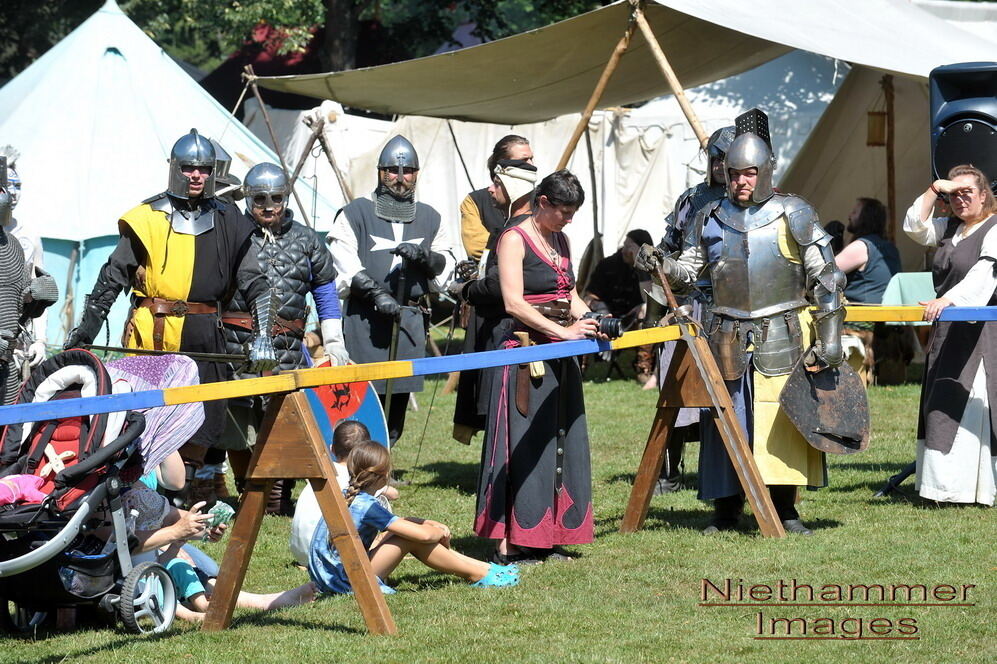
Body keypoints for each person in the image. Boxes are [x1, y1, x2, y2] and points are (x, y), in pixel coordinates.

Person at [639, 109, 846, 535]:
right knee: (724, 423)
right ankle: (726, 510)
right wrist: (662, 263)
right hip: (726, 334)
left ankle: (784, 509)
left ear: (766, 171)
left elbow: (826, 276)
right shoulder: (709, 216)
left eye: (749, 173)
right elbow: (689, 269)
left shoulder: (795, 212)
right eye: (734, 173)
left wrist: (830, 338)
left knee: (782, 423)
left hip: (783, 332)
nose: (741, 181)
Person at [64, 129, 278, 504]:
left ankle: (181, 495)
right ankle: (138, 494)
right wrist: (85, 331)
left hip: (205, 333)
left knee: (202, 418)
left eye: (204, 169)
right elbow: (111, 278)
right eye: (189, 167)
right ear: (176, 169)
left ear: (213, 172)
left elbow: (256, 283)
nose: (196, 175)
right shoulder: (146, 218)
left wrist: (262, 336)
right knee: (144, 418)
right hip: (153, 335)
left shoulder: (230, 221)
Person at [476, 170, 602, 563]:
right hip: (526, 355)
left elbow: (570, 294)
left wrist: (595, 318)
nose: (569, 219)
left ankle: (548, 536)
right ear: (543, 203)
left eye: (573, 212)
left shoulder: (560, 238)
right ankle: (514, 541)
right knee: (523, 448)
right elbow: (513, 303)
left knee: (560, 442)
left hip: (559, 355)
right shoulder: (513, 239)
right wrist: (562, 334)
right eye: (563, 211)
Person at [220, 162, 348, 514]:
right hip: (238, 342)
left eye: (276, 198)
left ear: (286, 197)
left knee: (283, 420)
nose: (268, 205)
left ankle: (276, 497)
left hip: (288, 346)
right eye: (259, 198)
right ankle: (249, 493)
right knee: (240, 423)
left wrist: (333, 339)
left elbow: (324, 289)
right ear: (248, 198)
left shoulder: (307, 239)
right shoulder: (231, 236)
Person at [327, 135, 455, 445]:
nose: (399, 178)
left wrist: (427, 258)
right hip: (364, 319)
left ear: (416, 174)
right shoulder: (356, 213)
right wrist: (375, 293)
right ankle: (354, 465)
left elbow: (447, 266)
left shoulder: (430, 217)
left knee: (396, 401)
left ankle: (382, 465)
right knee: (360, 400)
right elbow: (343, 260)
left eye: (407, 171)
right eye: (392, 171)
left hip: (408, 320)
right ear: (381, 172)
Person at [645, 126, 735, 493]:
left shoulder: (751, 201)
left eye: (725, 159)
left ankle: (729, 465)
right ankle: (670, 468)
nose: (719, 165)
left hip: (732, 305)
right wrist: (657, 259)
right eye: (715, 158)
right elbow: (670, 245)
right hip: (690, 304)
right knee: (677, 383)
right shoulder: (691, 199)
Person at [309, 442, 518, 595]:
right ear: (384, 475)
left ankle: (485, 569)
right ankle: (479, 573)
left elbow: (401, 525)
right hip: (346, 582)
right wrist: (439, 531)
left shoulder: (347, 495)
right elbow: (422, 536)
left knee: (406, 532)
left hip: (330, 576)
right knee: (410, 538)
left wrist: (426, 523)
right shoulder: (367, 506)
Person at [903, 164, 997, 505]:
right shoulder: (949, 228)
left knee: (969, 403)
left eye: (967, 193)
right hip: (947, 328)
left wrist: (948, 299)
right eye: (953, 194)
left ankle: (969, 489)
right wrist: (933, 189)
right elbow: (914, 224)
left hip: (981, 333)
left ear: (984, 195)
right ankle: (940, 486)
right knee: (940, 403)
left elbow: (984, 275)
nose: (959, 200)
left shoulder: (994, 228)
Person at [451, 158, 538, 443]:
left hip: (507, 328)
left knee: (504, 407)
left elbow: (497, 284)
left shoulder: (517, 230)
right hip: (503, 325)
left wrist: (465, 289)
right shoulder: (520, 225)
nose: (490, 189)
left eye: (497, 183)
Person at [0, 156, 57, 405]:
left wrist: (41, 340)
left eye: (17, 185)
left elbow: (28, 295)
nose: (12, 193)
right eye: (6, 185)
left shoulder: (22, 240)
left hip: (13, 349)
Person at [835, 198, 902, 384]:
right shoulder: (889, 247)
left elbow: (824, 272)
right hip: (882, 323)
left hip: (859, 321)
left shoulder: (862, 246)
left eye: (855, 212)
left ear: (865, 218)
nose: (849, 216)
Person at [582, 228, 654, 383]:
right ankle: (581, 368)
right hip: (606, 317)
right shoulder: (608, 265)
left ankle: (643, 368)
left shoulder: (649, 268)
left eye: (630, 247)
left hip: (631, 319)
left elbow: (648, 299)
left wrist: (640, 264)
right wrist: (602, 313)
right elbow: (589, 297)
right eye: (625, 245)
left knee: (645, 310)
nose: (625, 250)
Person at [459, 135, 533, 261]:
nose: (531, 165)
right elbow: (476, 248)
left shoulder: (539, 198)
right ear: (504, 163)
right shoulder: (475, 201)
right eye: (524, 160)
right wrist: (517, 250)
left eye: (531, 159)